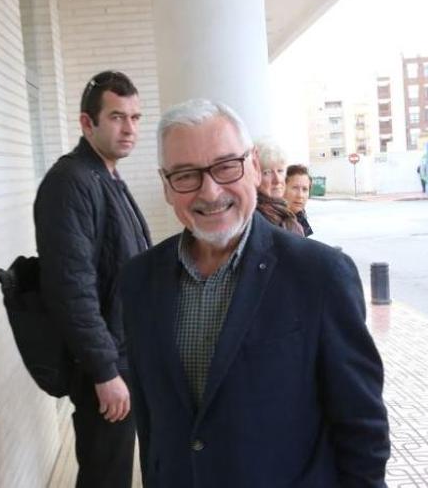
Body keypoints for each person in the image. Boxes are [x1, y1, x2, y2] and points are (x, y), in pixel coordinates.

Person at [120, 98, 389, 487]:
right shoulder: (139, 281)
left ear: (255, 169)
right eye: (185, 175)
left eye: (226, 166)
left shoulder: (319, 275)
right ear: (166, 187)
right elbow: (151, 424)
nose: (210, 192)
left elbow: (362, 427)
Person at [35, 70, 150, 488]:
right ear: (88, 123)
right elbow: (71, 287)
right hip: (104, 363)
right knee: (106, 474)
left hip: (123, 353)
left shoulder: (106, 175)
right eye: (117, 117)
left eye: (136, 117)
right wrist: (105, 372)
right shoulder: (71, 182)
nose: (130, 128)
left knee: (115, 467)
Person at [254, 138, 303, 234]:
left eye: (280, 171)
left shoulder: (283, 213)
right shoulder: (255, 219)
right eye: (267, 172)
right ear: (254, 176)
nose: (277, 180)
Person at [285, 164, 313, 237]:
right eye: (295, 188)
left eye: (305, 189)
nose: (300, 195)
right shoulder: (275, 221)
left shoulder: (300, 216)